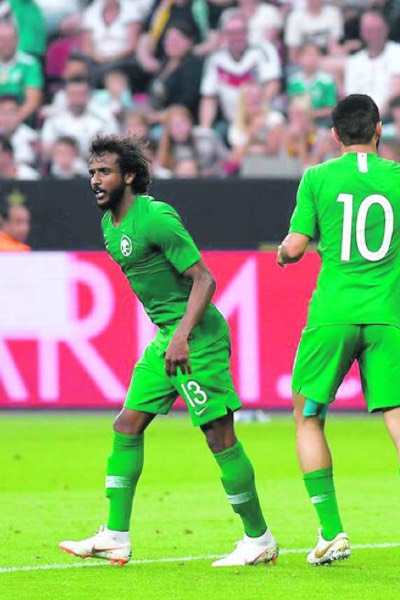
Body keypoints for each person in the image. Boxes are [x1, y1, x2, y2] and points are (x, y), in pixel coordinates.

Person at [59, 134, 278, 567]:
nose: (95, 180)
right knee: (127, 425)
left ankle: (260, 539)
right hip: (168, 338)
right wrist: (171, 335)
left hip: (197, 339)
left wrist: (181, 335)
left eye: (105, 172)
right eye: (92, 172)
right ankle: (116, 535)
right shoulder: (110, 227)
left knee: (219, 436)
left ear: (129, 176)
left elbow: (205, 279)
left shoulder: (156, 217)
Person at [276, 95, 400, 570]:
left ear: (334, 134)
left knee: (308, 418)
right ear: (379, 129)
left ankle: (331, 533)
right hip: (387, 319)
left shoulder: (317, 177)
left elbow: (295, 248)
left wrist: (282, 253)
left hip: (332, 317)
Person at [343, 10, 400, 113]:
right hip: (360, 117)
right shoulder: (354, 61)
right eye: (369, 30)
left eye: (378, 29)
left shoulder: (398, 52)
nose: (374, 34)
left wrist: (376, 117)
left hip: (390, 115)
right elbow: (350, 98)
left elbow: (398, 93)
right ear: (362, 33)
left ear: (386, 29)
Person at [0, 20, 42, 126]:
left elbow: (33, 101)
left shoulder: (30, 64)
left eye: (9, 39)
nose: (6, 43)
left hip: (21, 121)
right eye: (2, 39)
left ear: (17, 40)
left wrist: (12, 122)